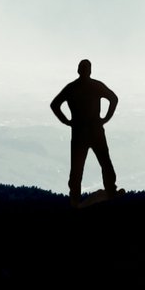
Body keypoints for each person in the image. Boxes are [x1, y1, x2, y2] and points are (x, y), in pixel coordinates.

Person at [50, 58, 119, 204]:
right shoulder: (95, 86)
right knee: (105, 162)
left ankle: (75, 198)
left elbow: (54, 105)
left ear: (78, 70)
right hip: (95, 130)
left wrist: (66, 121)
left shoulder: (71, 88)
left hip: (79, 132)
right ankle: (111, 191)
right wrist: (106, 118)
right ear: (90, 71)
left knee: (77, 167)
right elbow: (113, 98)